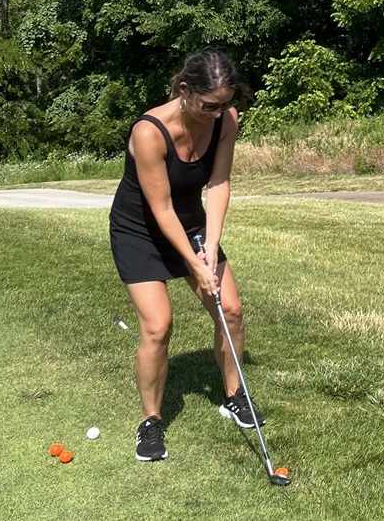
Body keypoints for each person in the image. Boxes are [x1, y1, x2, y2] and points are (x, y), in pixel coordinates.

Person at [109, 48, 263, 462]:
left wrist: (210, 247)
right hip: (139, 230)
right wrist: (195, 263)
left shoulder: (225, 120)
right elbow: (159, 209)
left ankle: (234, 397)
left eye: (225, 104)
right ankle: (151, 421)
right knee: (158, 327)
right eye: (209, 105)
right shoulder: (148, 131)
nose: (218, 113)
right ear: (183, 90)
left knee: (229, 308)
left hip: (192, 223)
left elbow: (218, 182)